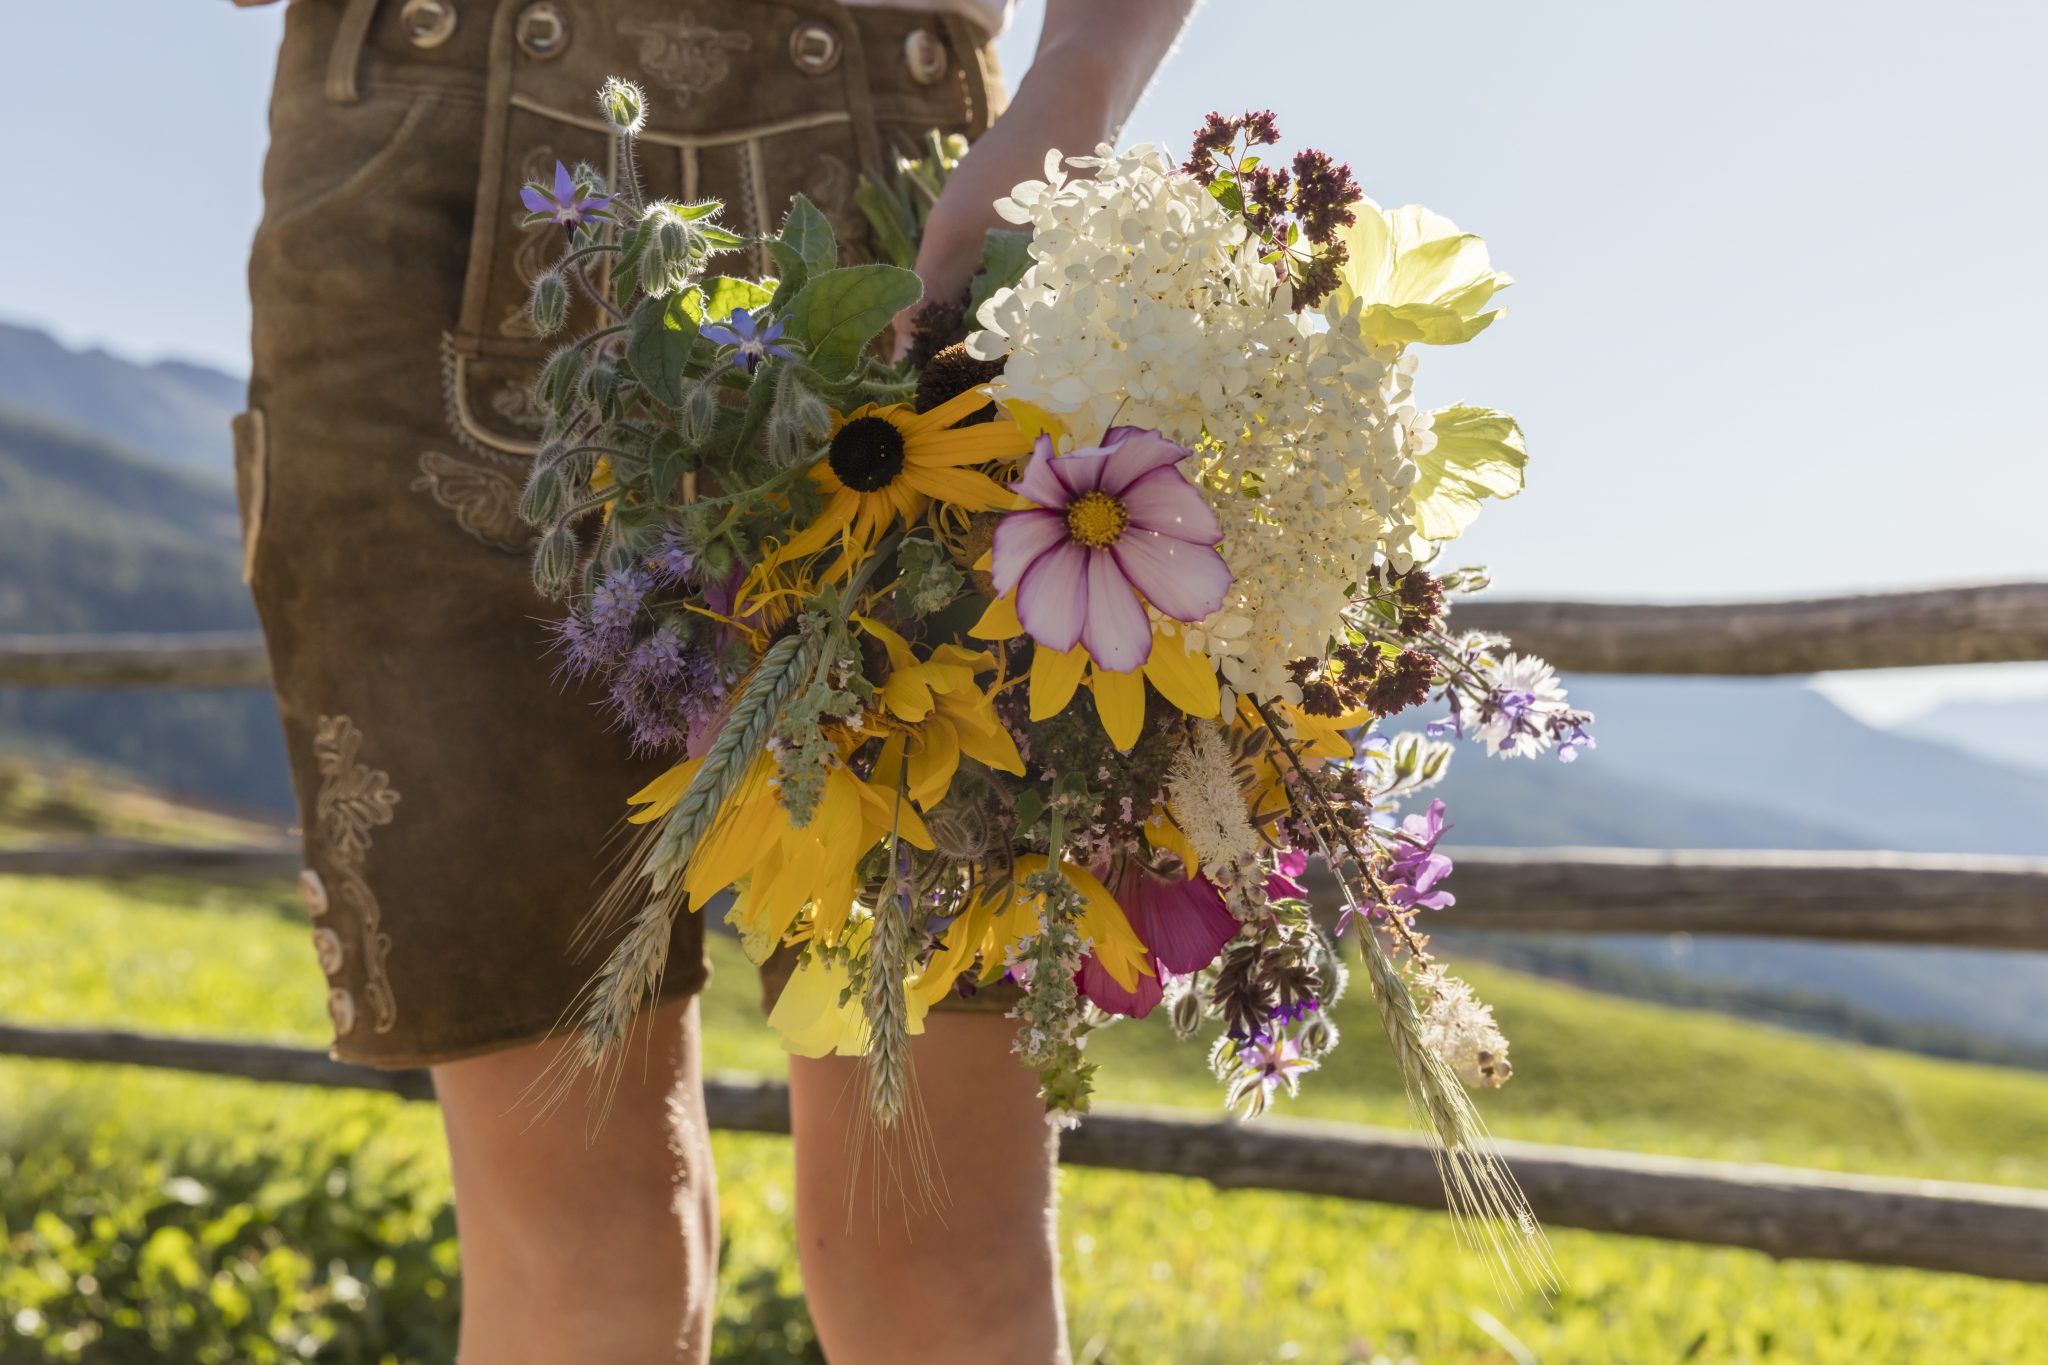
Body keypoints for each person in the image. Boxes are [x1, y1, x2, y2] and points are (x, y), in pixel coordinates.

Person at [228, 0, 1196, 1359]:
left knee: (942, 1253)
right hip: (427, 176)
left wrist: (1080, 81)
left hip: (903, 164)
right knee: (578, 1264)